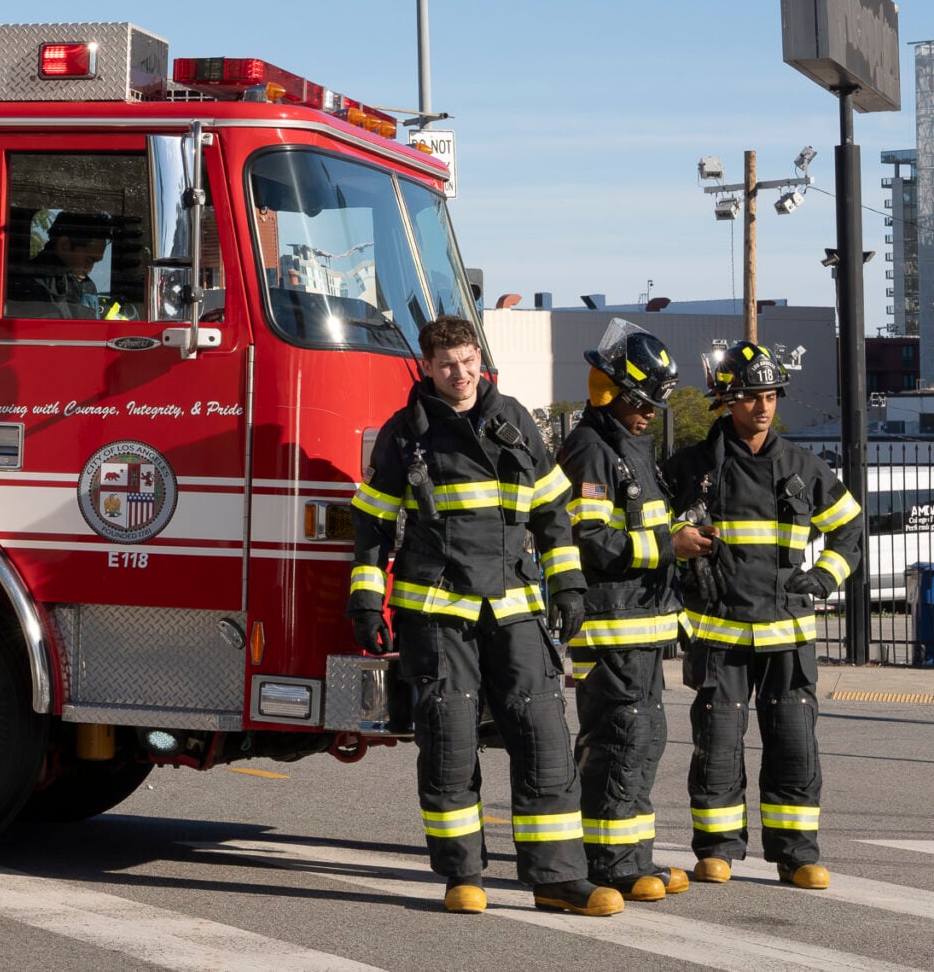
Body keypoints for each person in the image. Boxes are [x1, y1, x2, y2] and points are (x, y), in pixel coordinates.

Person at [350, 314, 622, 917]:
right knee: (448, 742)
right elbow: (371, 525)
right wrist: (366, 598)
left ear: (480, 358)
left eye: (469, 361)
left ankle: (557, 879)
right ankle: (463, 875)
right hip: (437, 612)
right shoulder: (405, 433)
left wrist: (568, 584)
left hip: (515, 607)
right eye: (448, 364)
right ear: (427, 367)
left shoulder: (515, 419)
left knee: (544, 739)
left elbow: (552, 511)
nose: (461, 374)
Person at [664, 340, 864, 891]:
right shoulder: (690, 468)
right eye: (752, 396)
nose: (763, 406)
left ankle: (797, 855)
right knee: (718, 741)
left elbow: (850, 528)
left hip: (788, 634)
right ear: (727, 401)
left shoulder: (803, 467)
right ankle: (717, 851)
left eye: (771, 396)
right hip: (719, 632)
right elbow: (651, 528)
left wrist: (824, 577)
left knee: (794, 744)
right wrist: (677, 542)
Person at [557, 321, 694, 903]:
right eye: (639, 402)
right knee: (619, 738)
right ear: (609, 390)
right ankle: (609, 863)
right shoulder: (591, 449)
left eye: (652, 405)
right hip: (610, 626)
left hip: (641, 625)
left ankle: (634, 856)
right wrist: (669, 546)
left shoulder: (630, 446)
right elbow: (589, 540)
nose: (647, 414)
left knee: (643, 739)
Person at [27, 210, 134, 320]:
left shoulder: (87, 286)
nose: (89, 270)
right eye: (88, 260)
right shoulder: (31, 283)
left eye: (95, 262)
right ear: (64, 245)